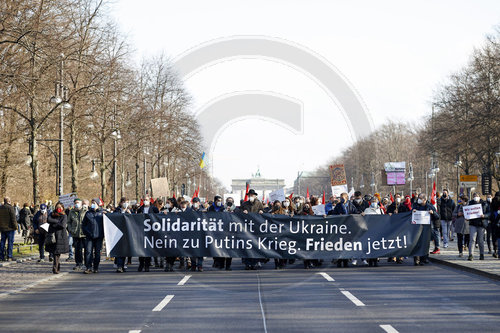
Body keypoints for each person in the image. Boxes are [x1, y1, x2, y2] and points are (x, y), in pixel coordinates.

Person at [413, 193, 440, 266]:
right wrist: (413, 211)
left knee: (425, 243)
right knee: (417, 243)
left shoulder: (430, 206)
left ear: (424, 200)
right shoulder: (415, 205)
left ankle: (424, 258)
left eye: (420, 198)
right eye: (418, 198)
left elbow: (437, 217)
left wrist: (433, 213)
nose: (418, 199)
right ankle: (416, 259)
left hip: (426, 228)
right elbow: (411, 215)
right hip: (417, 228)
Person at [241, 189, 264, 270]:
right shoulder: (244, 204)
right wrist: (243, 211)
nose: (251, 196)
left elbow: (263, 211)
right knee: (247, 246)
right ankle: (247, 263)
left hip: (256, 227)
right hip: (246, 228)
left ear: (255, 196)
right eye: (250, 195)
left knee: (255, 246)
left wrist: (261, 211)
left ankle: (254, 263)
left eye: (252, 195)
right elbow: (239, 212)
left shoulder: (259, 203)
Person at [45, 202, 69, 274]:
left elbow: (62, 225)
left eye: (60, 207)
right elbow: (48, 220)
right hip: (52, 235)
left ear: (62, 208)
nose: (59, 209)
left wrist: (54, 224)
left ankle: (56, 267)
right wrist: (57, 222)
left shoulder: (64, 215)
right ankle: (56, 267)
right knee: (55, 253)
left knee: (57, 253)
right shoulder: (52, 214)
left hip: (60, 236)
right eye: (57, 207)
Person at [82, 199, 104, 274]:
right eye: (92, 203)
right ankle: (88, 267)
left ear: (98, 204)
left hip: (99, 237)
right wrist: (86, 232)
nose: (92, 204)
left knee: (97, 253)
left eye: (94, 203)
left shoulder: (102, 213)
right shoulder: (88, 213)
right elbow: (83, 225)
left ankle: (96, 267)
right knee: (88, 252)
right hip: (89, 236)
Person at [137, 196, 159, 271]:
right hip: (142, 230)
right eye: (144, 200)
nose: (145, 201)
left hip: (151, 230)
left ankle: (147, 265)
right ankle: (141, 264)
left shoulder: (154, 209)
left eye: (146, 200)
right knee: (141, 248)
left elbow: (158, 217)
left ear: (149, 200)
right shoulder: (140, 209)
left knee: (148, 249)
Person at [67, 198, 87, 271]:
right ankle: (78, 264)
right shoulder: (71, 212)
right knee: (77, 250)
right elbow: (68, 222)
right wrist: (70, 230)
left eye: (78, 202)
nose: (76, 204)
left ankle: (87, 264)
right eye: (75, 202)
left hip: (84, 234)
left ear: (81, 204)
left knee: (86, 250)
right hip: (75, 234)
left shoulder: (85, 211)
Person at [363, 196, 383, 266]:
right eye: (372, 201)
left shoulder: (380, 210)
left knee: (376, 245)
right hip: (369, 230)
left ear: (377, 202)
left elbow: (384, 219)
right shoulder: (367, 210)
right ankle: (370, 260)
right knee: (370, 245)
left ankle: (375, 260)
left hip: (378, 230)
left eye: (375, 201)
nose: (374, 202)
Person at [114, 197, 132, 273]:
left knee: (124, 250)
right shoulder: (117, 210)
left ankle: (122, 265)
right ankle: (119, 266)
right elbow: (114, 217)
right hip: (117, 233)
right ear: (121, 203)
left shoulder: (130, 211)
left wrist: (130, 214)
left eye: (127, 202)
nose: (125, 203)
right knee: (119, 250)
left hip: (126, 233)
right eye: (124, 202)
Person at [467, 193, 487, 261]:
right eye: (474, 196)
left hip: (481, 224)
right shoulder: (470, 203)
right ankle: (471, 255)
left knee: (480, 241)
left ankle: (482, 254)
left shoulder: (484, 204)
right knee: (472, 240)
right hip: (473, 224)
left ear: (479, 197)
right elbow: (467, 212)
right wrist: (467, 217)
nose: (476, 197)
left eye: (477, 196)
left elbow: (489, 213)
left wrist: (484, 216)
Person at [209, 196, 225, 271]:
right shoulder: (210, 208)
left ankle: (221, 263)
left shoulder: (223, 208)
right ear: (215, 201)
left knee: (221, 247)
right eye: (218, 200)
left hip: (222, 230)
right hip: (213, 230)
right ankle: (216, 260)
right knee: (214, 247)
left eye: (220, 200)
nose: (219, 202)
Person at [0, 197, 18, 261]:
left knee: (2, 242)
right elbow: (13, 218)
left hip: (2, 228)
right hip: (10, 228)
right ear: (9, 201)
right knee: (10, 243)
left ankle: (1, 256)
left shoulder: (1, 208)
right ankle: (9, 256)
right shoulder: (10, 208)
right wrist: (16, 227)